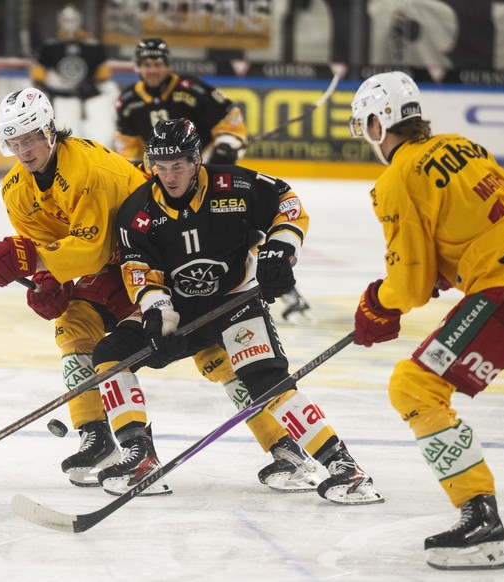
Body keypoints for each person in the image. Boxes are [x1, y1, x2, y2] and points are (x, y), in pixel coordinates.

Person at [0, 87, 321, 494]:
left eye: (29, 138)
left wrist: (27, 259)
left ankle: (283, 443)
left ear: (49, 132)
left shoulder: (87, 169)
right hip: (115, 263)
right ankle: (97, 438)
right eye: (14, 142)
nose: (23, 150)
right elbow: (48, 244)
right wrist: (48, 278)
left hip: (157, 256)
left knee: (213, 352)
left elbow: (92, 250)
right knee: (73, 327)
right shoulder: (15, 190)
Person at [348, 71, 504, 570]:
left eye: (368, 130)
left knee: (414, 387)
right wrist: (456, 263)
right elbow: (486, 218)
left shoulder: (397, 177)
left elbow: (408, 285)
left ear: (379, 125)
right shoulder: (466, 146)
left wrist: (376, 305)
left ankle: (479, 518)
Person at [91, 118, 384, 505]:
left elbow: (288, 203)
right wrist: (157, 314)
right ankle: (139, 456)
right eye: (161, 167)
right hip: (182, 311)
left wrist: (281, 247)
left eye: (177, 165)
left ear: (196, 160)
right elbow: (140, 272)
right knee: (109, 354)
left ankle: (343, 466)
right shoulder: (137, 212)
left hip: (237, 303)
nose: (169, 176)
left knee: (266, 381)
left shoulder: (235, 185)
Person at [115, 38, 313, 324]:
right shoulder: (128, 102)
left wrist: (227, 143)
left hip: (205, 178)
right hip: (165, 182)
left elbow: (229, 116)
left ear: (167, 64)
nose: (152, 70)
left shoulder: (191, 90)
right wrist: (145, 176)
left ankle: (285, 286)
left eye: (157, 63)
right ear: (138, 67)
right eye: (146, 64)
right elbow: (127, 150)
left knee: (238, 233)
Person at [29, 4, 117, 146]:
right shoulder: (49, 47)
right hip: (62, 99)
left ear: (79, 21)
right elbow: (38, 75)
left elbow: (104, 77)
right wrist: (48, 83)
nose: (70, 24)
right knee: (69, 135)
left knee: (103, 134)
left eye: (73, 20)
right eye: (66, 21)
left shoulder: (93, 46)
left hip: (92, 98)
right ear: (60, 22)